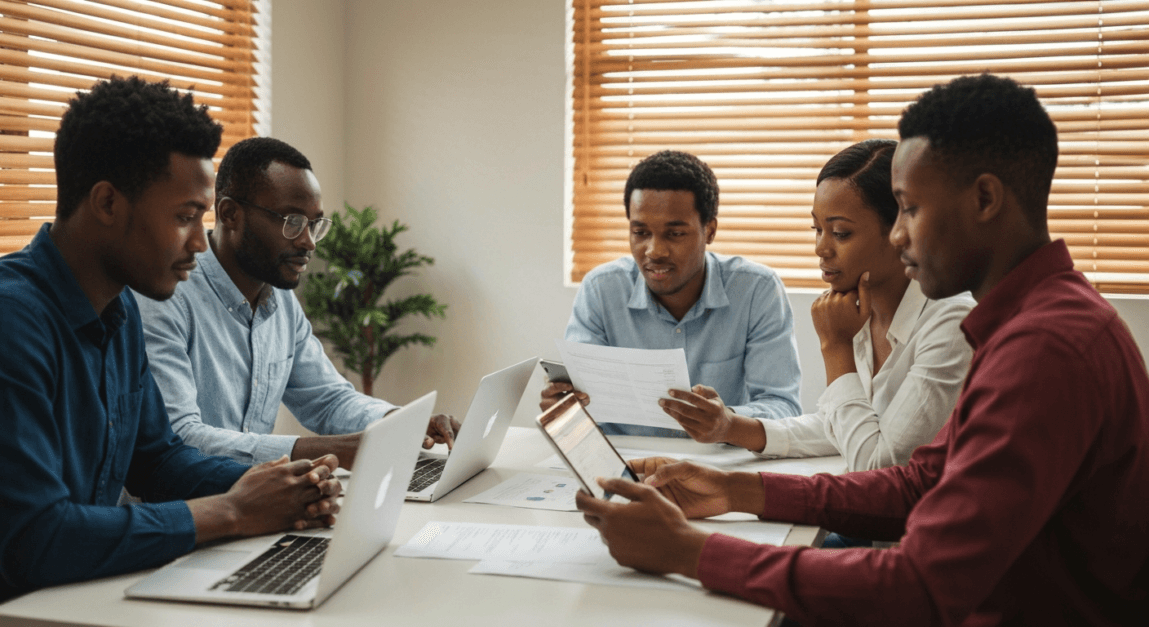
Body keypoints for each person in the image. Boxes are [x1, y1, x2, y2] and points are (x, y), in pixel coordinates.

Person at [576, 74, 1149, 625]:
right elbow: (919, 483)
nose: (898, 236)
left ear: (984, 199)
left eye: (911, 210)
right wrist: (731, 488)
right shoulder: (1030, 323)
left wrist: (688, 553)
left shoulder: (1046, 350)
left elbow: (919, 586)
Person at [0, 77, 341, 602]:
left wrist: (280, 487)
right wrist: (232, 510)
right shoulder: (13, 321)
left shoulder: (119, 310)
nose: (199, 242)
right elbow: (37, 538)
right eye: (185, 217)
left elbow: (157, 461)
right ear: (108, 203)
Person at [134, 137, 458, 470]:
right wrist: (331, 450)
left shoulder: (281, 302)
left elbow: (329, 401)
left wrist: (400, 422)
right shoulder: (164, 296)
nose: (307, 242)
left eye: (314, 224)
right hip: (185, 513)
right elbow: (181, 439)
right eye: (292, 222)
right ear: (230, 214)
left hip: (257, 503)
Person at [660, 139, 974, 475]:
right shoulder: (856, 308)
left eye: (840, 233)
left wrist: (836, 348)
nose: (820, 248)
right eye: (817, 229)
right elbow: (842, 426)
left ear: (902, 232)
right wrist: (729, 427)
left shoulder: (952, 322)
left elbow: (880, 466)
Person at [541, 150, 802, 437]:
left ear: (710, 230)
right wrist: (567, 408)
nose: (654, 251)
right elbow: (584, 407)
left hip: (717, 468)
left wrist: (727, 422)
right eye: (640, 233)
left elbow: (784, 407)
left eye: (675, 234)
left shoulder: (756, 290)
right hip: (625, 466)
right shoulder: (601, 290)